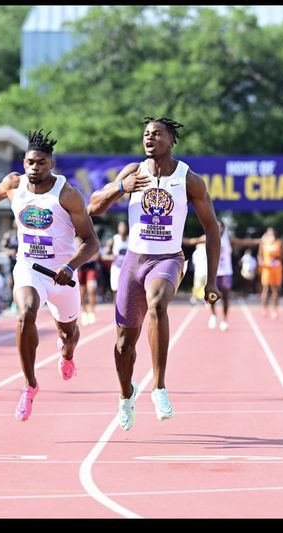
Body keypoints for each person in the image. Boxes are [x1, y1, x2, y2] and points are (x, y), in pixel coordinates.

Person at [0, 130, 99, 421]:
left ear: (51, 164)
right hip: (29, 267)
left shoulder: (67, 195)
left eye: (39, 163)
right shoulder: (15, 183)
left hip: (62, 273)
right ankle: (29, 385)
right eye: (29, 162)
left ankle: (67, 354)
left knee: (69, 334)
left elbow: (92, 242)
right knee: (25, 313)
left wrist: (70, 267)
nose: (33, 168)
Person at [87, 116, 221, 431]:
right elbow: (92, 207)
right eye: (146, 134)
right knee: (123, 343)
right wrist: (121, 188)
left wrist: (211, 279)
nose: (150, 138)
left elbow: (211, 227)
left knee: (158, 301)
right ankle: (125, 395)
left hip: (168, 258)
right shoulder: (133, 172)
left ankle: (158, 387)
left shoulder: (189, 179)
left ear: (171, 140)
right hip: (134, 262)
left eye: (157, 134)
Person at [188, 219, 259, 329]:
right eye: (216, 226)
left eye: (220, 226)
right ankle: (213, 315)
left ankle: (225, 320)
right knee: (212, 296)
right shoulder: (208, 237)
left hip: (226, 271)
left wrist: (260, 241)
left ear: (223, 228)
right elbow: (193, 241)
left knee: (225, 295)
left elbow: (244, 242)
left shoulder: (228, 239)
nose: (218, 228)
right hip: (213, 272)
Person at [258, 226, 283, 319]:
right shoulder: (263, 244)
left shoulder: (279, 243)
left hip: (276, 269)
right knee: (265, 289)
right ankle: (264, 309)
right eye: (269, 233)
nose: (271, 234)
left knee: (275, 289)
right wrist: (261, 261)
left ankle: (275, 310)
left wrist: (277, 259)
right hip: (267, 268)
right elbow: (260, 255)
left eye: (272, 233)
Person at [76, 236, 99, 325]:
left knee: (91, 289)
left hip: (91, 268)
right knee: (82, 292)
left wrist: (90, 257)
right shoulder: (76, 240)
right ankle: (84, 311)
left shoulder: (92, 236)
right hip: (81, 268)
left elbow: (97, 253)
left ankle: (92, 312)